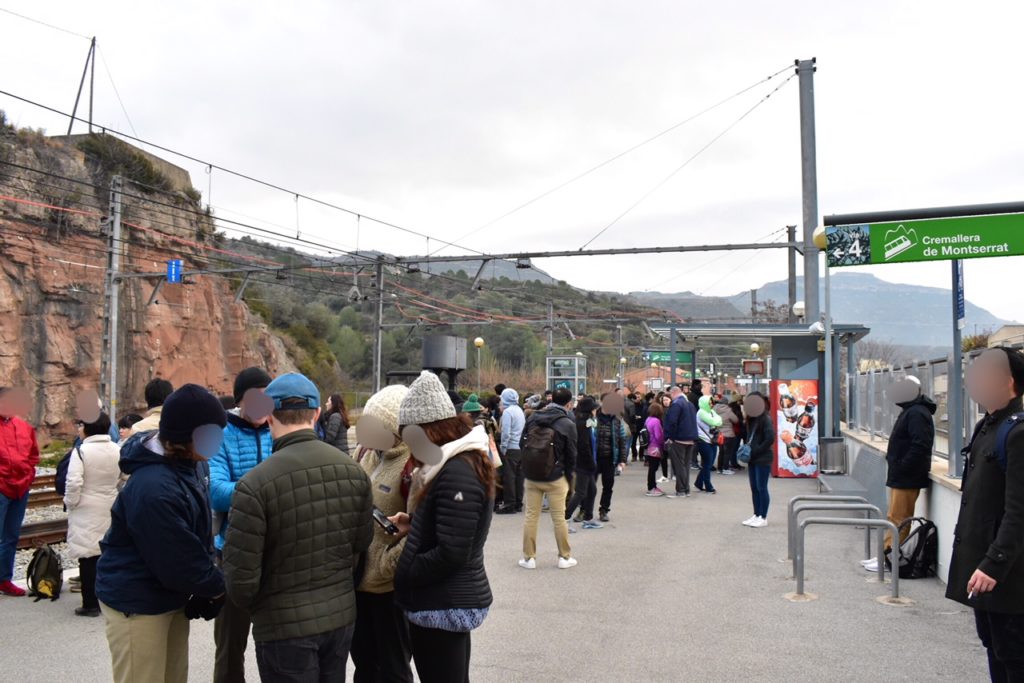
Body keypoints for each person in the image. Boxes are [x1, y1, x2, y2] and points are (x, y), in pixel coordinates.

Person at [223, 372, 373, 683]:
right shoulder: (354, 472)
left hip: (281, 626)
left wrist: (263, 608)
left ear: (268, 416)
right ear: (317, 412)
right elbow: (360, 547)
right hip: (339, 617)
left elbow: (240, 579)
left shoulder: (253, 485)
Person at [96, 384, 227, 683]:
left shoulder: (189, 464)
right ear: (185, 436)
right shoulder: (154, 487)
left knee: (173, 676)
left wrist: (203, 584)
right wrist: (215, 587)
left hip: (169, 593)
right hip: (138, 601)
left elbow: (196, 534)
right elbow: (176, 557)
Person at [391, 371, 494, 683]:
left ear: (429, 430)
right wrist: (415, 525)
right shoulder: (454, 464)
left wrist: (406, 571)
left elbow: (453, 551)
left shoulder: (455, 472)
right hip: (447, 599)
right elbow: (453, 527)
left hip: (443, 601)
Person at [946, 347, 1024, 680]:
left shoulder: (1017, 433)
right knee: (993, 644)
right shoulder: (987, 426)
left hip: (1007, 572)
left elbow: (1020, 508)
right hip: (982, 565)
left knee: (1013, 654)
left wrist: (995, 562)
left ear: (1008, 382)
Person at [208, 366, 274, 683]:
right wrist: (265, 491)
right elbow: (216, 491)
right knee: (231, 644)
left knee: (276, 643)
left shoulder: (280, 430)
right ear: (240, 401)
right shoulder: (221, 434)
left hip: (276, 553)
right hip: (232, 553)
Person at [350, 384, 415, 683]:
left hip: (389, 588)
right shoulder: (366, 453)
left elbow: (420, 527)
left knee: (393, 669)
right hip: (356, 579)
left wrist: (388, 565)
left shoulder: (412, 464)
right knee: (363, 664)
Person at [863, 376, 936, 573]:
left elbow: (920, 444)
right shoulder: (912, 411)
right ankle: (886, 554)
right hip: (902, 473)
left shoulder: (917, 413)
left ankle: (889, 558)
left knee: (900, 518)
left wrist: (902, 465)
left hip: (907, 475)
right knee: (894, 516)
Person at [65, 412, 121, 616]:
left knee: (88, 556)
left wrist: (70, 503)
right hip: (110, 504)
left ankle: (90, 604)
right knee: (107, 553)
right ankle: (109, 598)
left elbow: (73, 482)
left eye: (81, 426)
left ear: (87, 428)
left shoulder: (81, 452)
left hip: (86, 507)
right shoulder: (117, 449)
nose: (79, 429)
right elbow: (125, 476)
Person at [519, 387, 578, 570]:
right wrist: (569, 479)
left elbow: (523, 443)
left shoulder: (533, 417)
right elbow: (571, 455)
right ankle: (564, 557)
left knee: (531, 516)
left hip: (532, 476)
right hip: (555, 477)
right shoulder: (567, 423)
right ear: (569, 404)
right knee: (559, 518)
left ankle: (529, 558)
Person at [0, 387, 39, 597]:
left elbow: (33, 456)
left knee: (11, 536)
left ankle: (4, 579)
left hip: (20, 488)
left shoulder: (24, 427)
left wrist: (28, 476)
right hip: (1, 487)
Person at [566, 397, 602, 530]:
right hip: (583, 463)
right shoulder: (582, 423)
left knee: (592, 490)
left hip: (587, 462)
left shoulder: (588, 422)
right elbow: (584, 445)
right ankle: (564, 519)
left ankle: (588, 518)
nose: (596, 411)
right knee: (581, 492)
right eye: (594, 408)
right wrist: (591, 463)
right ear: (589, 410)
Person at [742, 393, 776, 528]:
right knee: (754, 487)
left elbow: (770, 438)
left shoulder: (765, 418)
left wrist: (756, 450)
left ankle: (763, 516)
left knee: (761, 487)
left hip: (763, 457)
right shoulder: (752, 418)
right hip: (753, 458)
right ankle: (756, 514)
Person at [595, 393, 629, 522]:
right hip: (594, 458)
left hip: (610, 459)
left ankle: (604, 510)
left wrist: (622, 460)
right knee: (589, 486)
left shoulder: (617, 420)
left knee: (608, 486)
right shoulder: (593, 416)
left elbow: (622, 441)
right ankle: (584, 509)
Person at [663, 386, 698, 498]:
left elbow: (671, 422)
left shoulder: (676, 404)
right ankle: (686, 489)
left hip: (679, 439)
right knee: (686, 465)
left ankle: (681, 490)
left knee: (679, 465)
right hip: (691, 439)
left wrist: (669, 437)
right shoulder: (690, 404)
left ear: (673, 393)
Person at [496, 387, 525, 514]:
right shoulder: (519, 410)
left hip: (511, 448)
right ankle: (518, 503)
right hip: (521, 448)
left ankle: (509, 504)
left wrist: (503, 448)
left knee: (509, 477)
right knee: (519, 477)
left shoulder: (507, 412)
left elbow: (505, 433)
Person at [695, 395, 723, 494]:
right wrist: (717, 420)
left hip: (712, 441)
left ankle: (698, 483)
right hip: (703, 441)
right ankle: (708, 486)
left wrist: (717, 420)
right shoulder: (701, 412)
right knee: (707, 464)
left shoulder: (710, 411)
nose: (711, 404)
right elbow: (714, 421)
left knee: (709, 464)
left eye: (712, 402)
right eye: (709, 402)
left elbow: (720, 421)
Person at [644, 401, 666, 496]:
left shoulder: (648, 419)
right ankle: (651, 488)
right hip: (655, 447)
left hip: (649, 446)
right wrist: (664, 443)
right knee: (653, 468)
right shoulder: (656, 421)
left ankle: (653, 486)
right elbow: (659, 436)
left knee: (652, 468)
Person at [714, 395, 740, 474]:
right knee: (727, 452)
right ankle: (725, 468)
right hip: (728, 434)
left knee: (721, 452)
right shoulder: (728, 410)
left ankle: (719, 468)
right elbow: (736, 420)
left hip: (719, 434)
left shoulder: (714, 409)